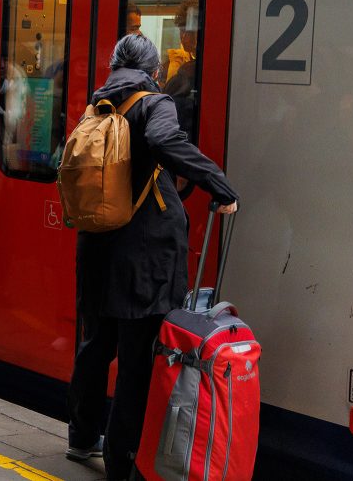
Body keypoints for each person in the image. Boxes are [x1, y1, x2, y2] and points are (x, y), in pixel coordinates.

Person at [65, 35, 238, 480]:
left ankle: (82, 437)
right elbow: (163, 140)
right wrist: (218, 183)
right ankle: (121, 459)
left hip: (96, 248)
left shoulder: (97, 104)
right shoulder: (154, 103)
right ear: (155, 70)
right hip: (142, 257)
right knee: (136, 360)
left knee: (95, 347)